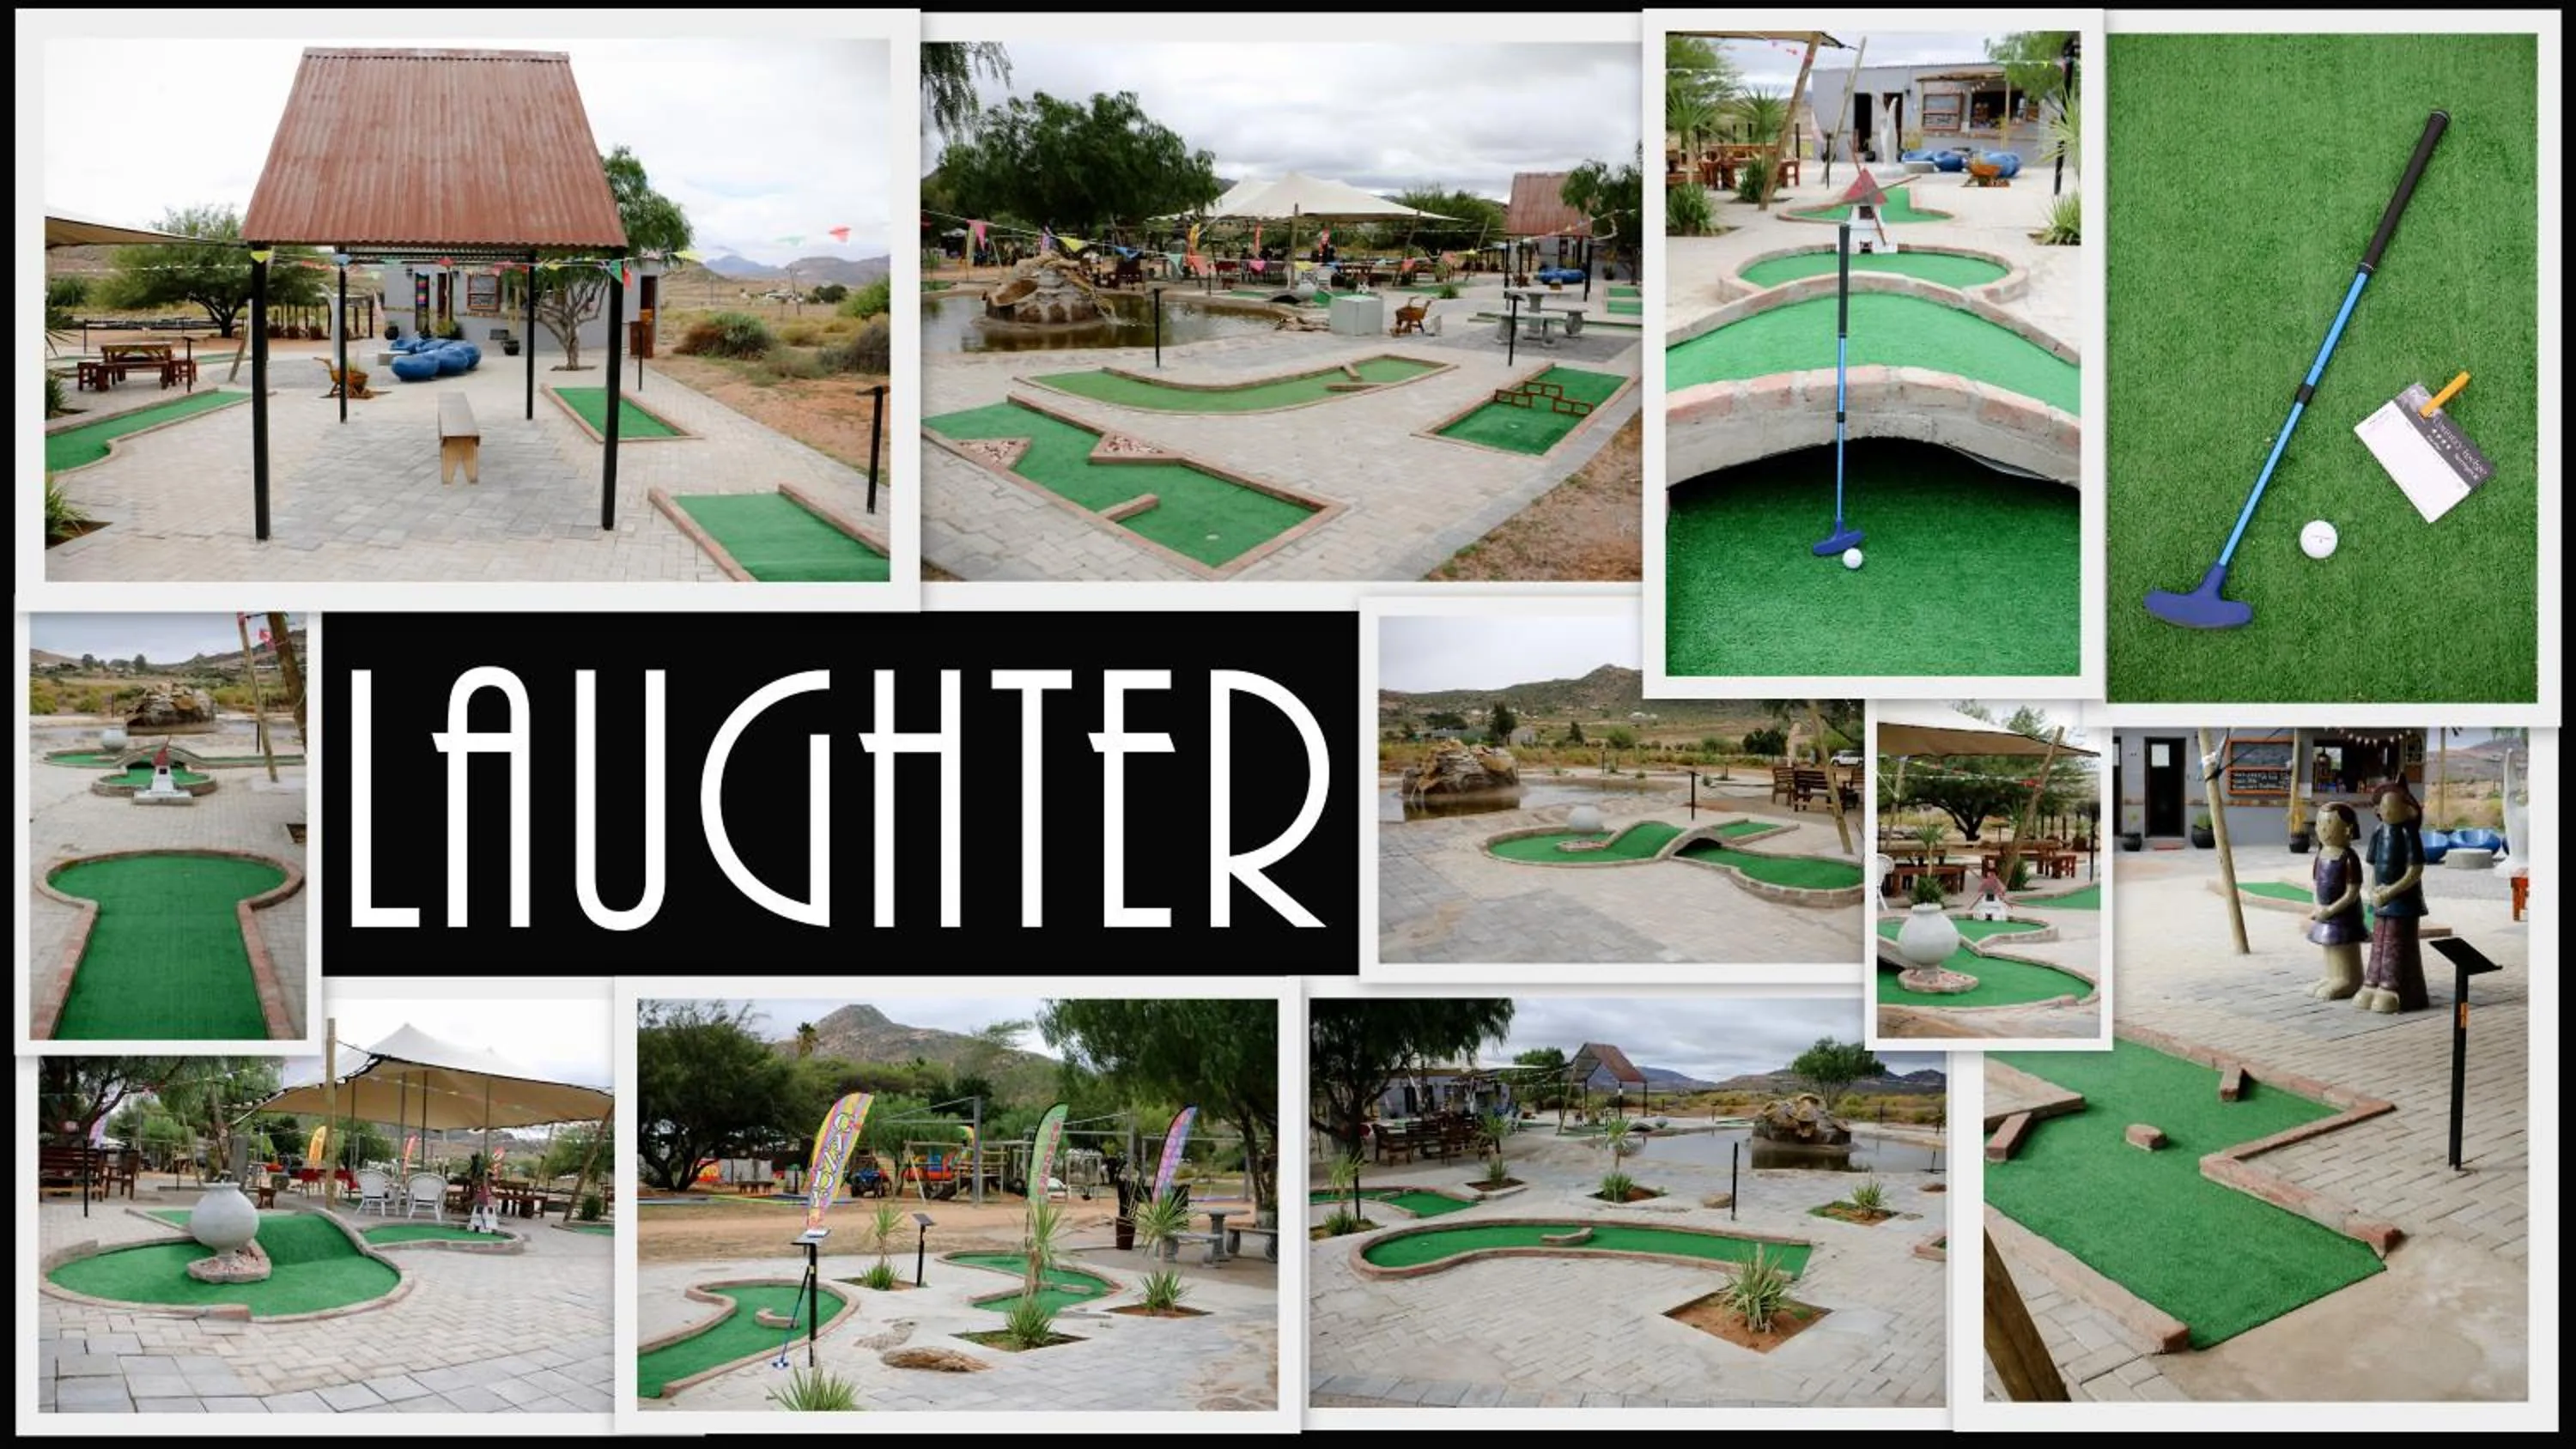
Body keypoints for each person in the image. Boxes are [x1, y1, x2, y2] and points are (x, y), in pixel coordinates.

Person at [2357, 779, 2429, 1013]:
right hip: (2382, 899)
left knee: (2395, 943)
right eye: (2382, 806)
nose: (2384, 810)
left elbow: (2415, 870)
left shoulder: (2409, 833)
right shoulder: (2379, 831)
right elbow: (2372, 865)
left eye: (2391, 805)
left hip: (2403, 900)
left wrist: (2391, 891)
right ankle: (2372, 982)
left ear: (2408, 809)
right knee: (2379, 942)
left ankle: (2393, 987)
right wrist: (2373, 890)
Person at [2306, 803, 2366, 999]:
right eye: (2320, 824)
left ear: (2348, 829)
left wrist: (2331, 910)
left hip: (2344, 914)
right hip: (2325, 911)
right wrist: (2318, 905)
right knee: (2328, 944)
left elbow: (2352, 892)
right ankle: (2332, 976)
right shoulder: (2321, 855)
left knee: (2343, 945)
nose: (2322, 830)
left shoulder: (2349, 858)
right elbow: (2316, 884)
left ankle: (2349, 979)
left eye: (2329, 824)